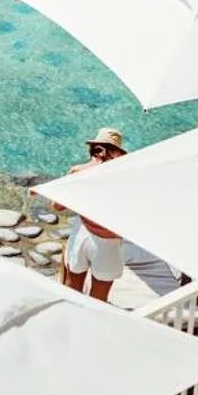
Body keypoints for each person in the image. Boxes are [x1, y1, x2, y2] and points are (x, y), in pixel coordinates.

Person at [59, 128, 126, 301]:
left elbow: (57, 206)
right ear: (117, 153)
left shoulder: (79, 172)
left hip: (82, 233)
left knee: (71, 292)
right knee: (98, 301)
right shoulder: (124, 179)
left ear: (94, 149)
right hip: (108, 243)